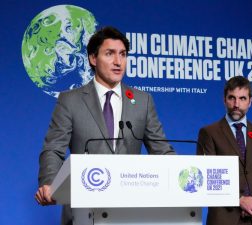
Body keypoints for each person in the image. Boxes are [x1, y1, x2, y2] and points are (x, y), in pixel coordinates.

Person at [35, 26, 175, 225]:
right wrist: (50, 183)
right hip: (84, 209)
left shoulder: (142, 101)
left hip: (129, 211)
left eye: (123, 55)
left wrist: (182, 174)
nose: (118, 62)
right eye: (109, 54)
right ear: (93, 59)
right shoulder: (70, 100)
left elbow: (161, 150)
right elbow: (53, 148)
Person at [197, 76, 252, 225]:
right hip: (225, 217)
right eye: (232, 98)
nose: (237, 104)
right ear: (224, 100)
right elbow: (206, 175)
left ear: (250, 101)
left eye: (242, 98)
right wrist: (239, 200)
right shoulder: (209, 133)